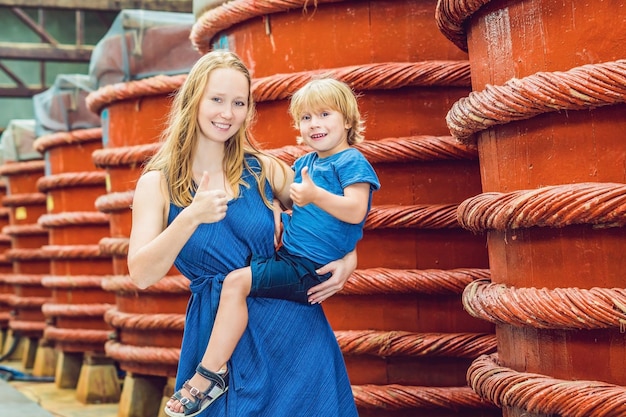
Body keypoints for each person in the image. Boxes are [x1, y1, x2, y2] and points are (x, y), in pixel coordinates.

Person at [127, 50, 360, 417]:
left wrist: (349, 258)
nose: (227, 113)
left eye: (238, 102)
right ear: (193, 100)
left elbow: (332, 214)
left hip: (293, 335)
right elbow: (141, 274)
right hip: (217, 343)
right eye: (217, 100)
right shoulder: (157, 183)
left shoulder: (264, 170)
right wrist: (190, 217)